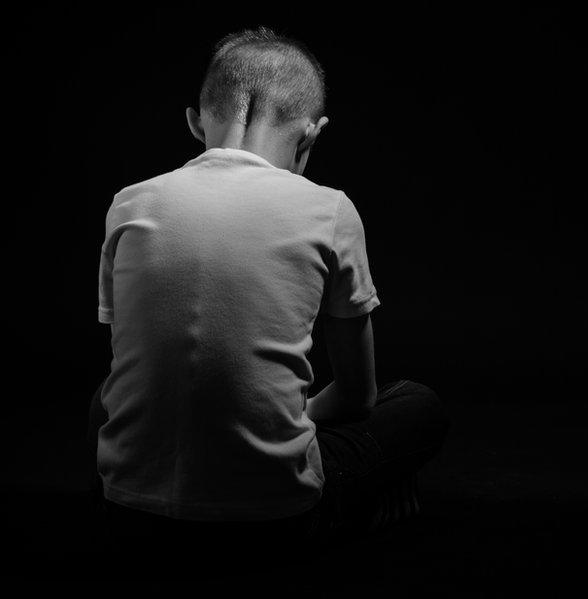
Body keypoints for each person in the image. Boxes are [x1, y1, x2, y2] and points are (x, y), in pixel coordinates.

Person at [88, 27, 450, 555]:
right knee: (418, 405)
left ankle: (118, 508)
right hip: (274, 526)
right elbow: (356, 396)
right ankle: (349, 513)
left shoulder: (129, 204)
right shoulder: (329, 209)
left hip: (130, 519)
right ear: (312, 134)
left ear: (194, 120)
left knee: (105, 396)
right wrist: (280, 413)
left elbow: (136, 375)